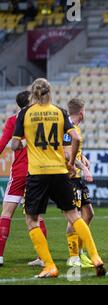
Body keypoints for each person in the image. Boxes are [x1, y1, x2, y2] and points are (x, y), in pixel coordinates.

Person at [11, 78, 105, 278]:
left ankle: (50, 266)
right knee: (74, 216)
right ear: (49, 92)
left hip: (37, 173)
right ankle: (95, 257)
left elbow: (15, 145)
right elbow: (77, 138)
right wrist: (71, 163)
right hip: (60, 172)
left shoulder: (25, 113)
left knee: (31, 219)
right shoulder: (60, 111)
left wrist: (22, 142)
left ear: (33, 93)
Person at [0, 90, 47, 267]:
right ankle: (43, 258)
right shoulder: (41, 118)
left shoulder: (13, 120)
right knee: (36, 216)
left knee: (6, 213)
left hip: (19, 172)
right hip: (37, 171)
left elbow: (2, 143)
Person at [63, 98, 96, 268]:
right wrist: (84, 168)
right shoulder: (67, 128)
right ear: (81, 112)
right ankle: (74, 257)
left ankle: (80, 253)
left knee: (88, 214)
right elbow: (67, 154)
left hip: (76, 178)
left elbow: (74, 151)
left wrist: (83, 158)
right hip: (69, 179)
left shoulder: (74, 127)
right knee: (73, 219)